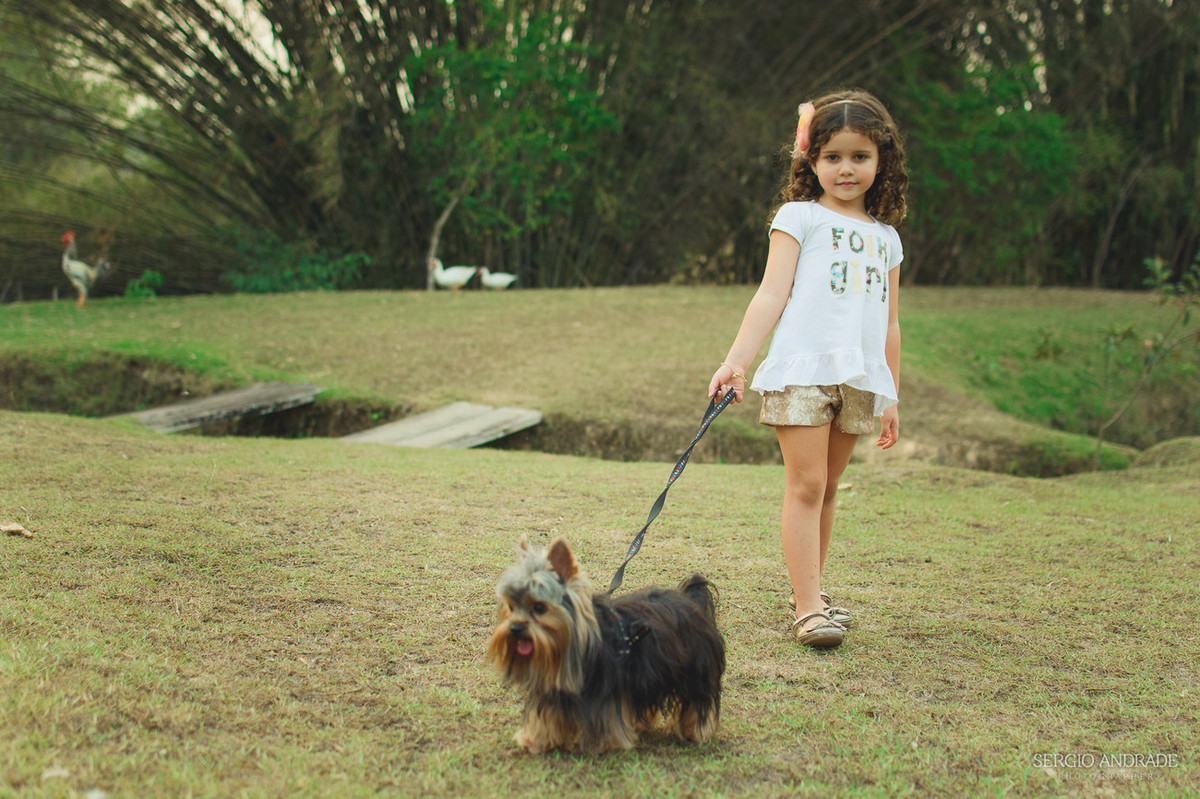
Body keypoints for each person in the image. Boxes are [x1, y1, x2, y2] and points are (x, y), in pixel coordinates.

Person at [708, 89, 908, 649]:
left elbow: (890, 323)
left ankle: (814, 594)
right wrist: (737, 362)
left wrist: (890, 393)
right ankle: (806, 609)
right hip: (802, 370)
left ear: (881, 160)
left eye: (859, 156)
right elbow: (771, 295)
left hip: (860, 378)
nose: (846, 169)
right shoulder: (798, 218)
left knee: (830, 488)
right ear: (812, 160)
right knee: (807, 484)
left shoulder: (887, 239)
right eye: (833, 157)